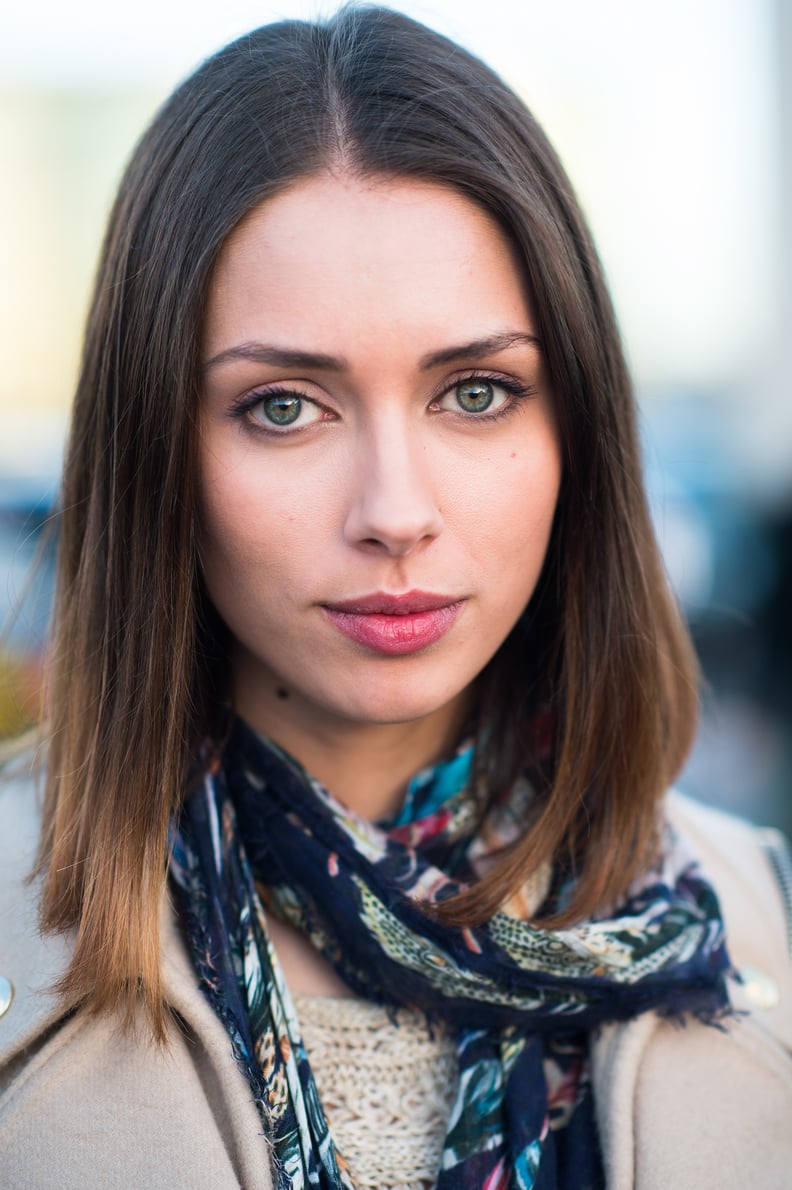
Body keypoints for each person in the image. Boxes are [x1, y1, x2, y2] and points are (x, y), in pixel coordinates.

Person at [1, 6, 790, 1187]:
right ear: (155, 448)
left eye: (475, 392)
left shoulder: (761, 919)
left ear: (577, 423)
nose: (394, 509)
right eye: (283, 405)